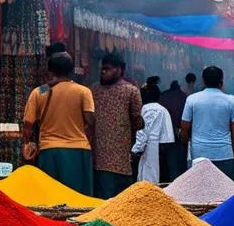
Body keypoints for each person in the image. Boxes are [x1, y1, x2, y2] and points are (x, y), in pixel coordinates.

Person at [22, 44, 95, 195]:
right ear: (71, 70)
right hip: (79, 150)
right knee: (78, 200)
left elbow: (28, 125)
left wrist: (25, 146)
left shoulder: (40, 91)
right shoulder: (83, 91)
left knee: (51, 199)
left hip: (50, 151)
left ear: (50, 71)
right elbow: (90, 121)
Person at [90, 51, 143, 198]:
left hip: (114, 157)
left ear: (119, 70)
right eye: (102, 69)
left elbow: (137, 118)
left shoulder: (129, 91)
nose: (102, 72)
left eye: (107, 69)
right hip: (109, 158)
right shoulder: (94, 90)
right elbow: (137, 121)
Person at [180, 65, 234, 179]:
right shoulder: (229, 101)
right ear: (221, 82)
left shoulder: (192, 99)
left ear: (203, 81)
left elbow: (184, 127)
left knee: (200, 192)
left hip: (199, 155)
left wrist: (186, 144)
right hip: (224, 154)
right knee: (225, 192)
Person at [133, 84, 175, 183]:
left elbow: (142, 131)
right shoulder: (163, 109)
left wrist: (136, 149)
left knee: (148, 178)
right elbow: (168, 135)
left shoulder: (145, 109)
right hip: (162, 148)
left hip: (149, 147)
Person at [158, 79, 189, 182]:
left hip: (163, 133)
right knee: (178, 160)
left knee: (166, 161)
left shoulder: (163, 96)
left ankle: (167, 181)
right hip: (179, 132)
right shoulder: (183, 97)